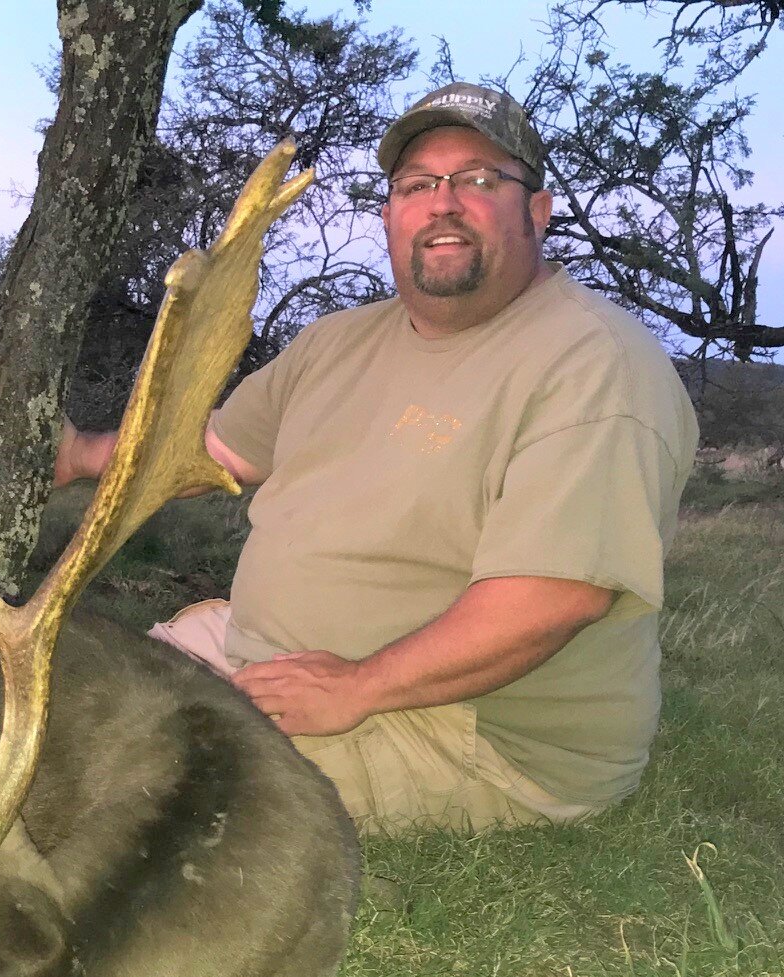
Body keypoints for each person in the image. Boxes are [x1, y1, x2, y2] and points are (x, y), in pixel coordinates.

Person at [53, 83, 698, 831]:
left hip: (461, 729)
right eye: (417, 184)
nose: (444, 202)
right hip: (272, 656)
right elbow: (214, 452)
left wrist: (359, 685)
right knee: (58, 693)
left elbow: (552, 600)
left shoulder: (596, 367)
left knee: (115, 779)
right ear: (391, 214)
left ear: (538, 210)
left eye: (481, 180)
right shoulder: (339, 341)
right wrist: (82, 454)